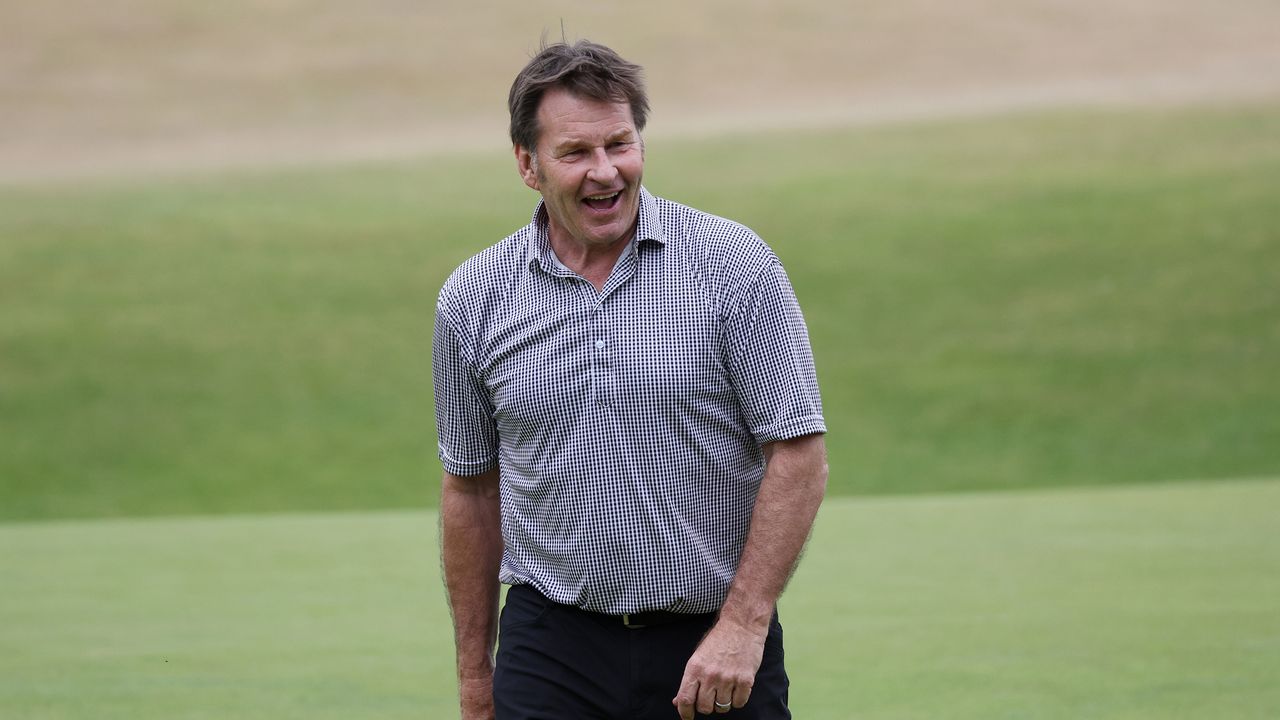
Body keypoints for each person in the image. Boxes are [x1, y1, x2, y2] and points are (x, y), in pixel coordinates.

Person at [433, 39, 828, 720]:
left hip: (711, 644)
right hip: (551, 647)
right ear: (528, 165)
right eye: (575, 153)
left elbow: (797, 452)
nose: (605, 171)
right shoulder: (473, 297)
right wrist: (475, 679)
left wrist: (743, 626)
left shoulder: (734, 265)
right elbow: (470, 488)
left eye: (620, 143)